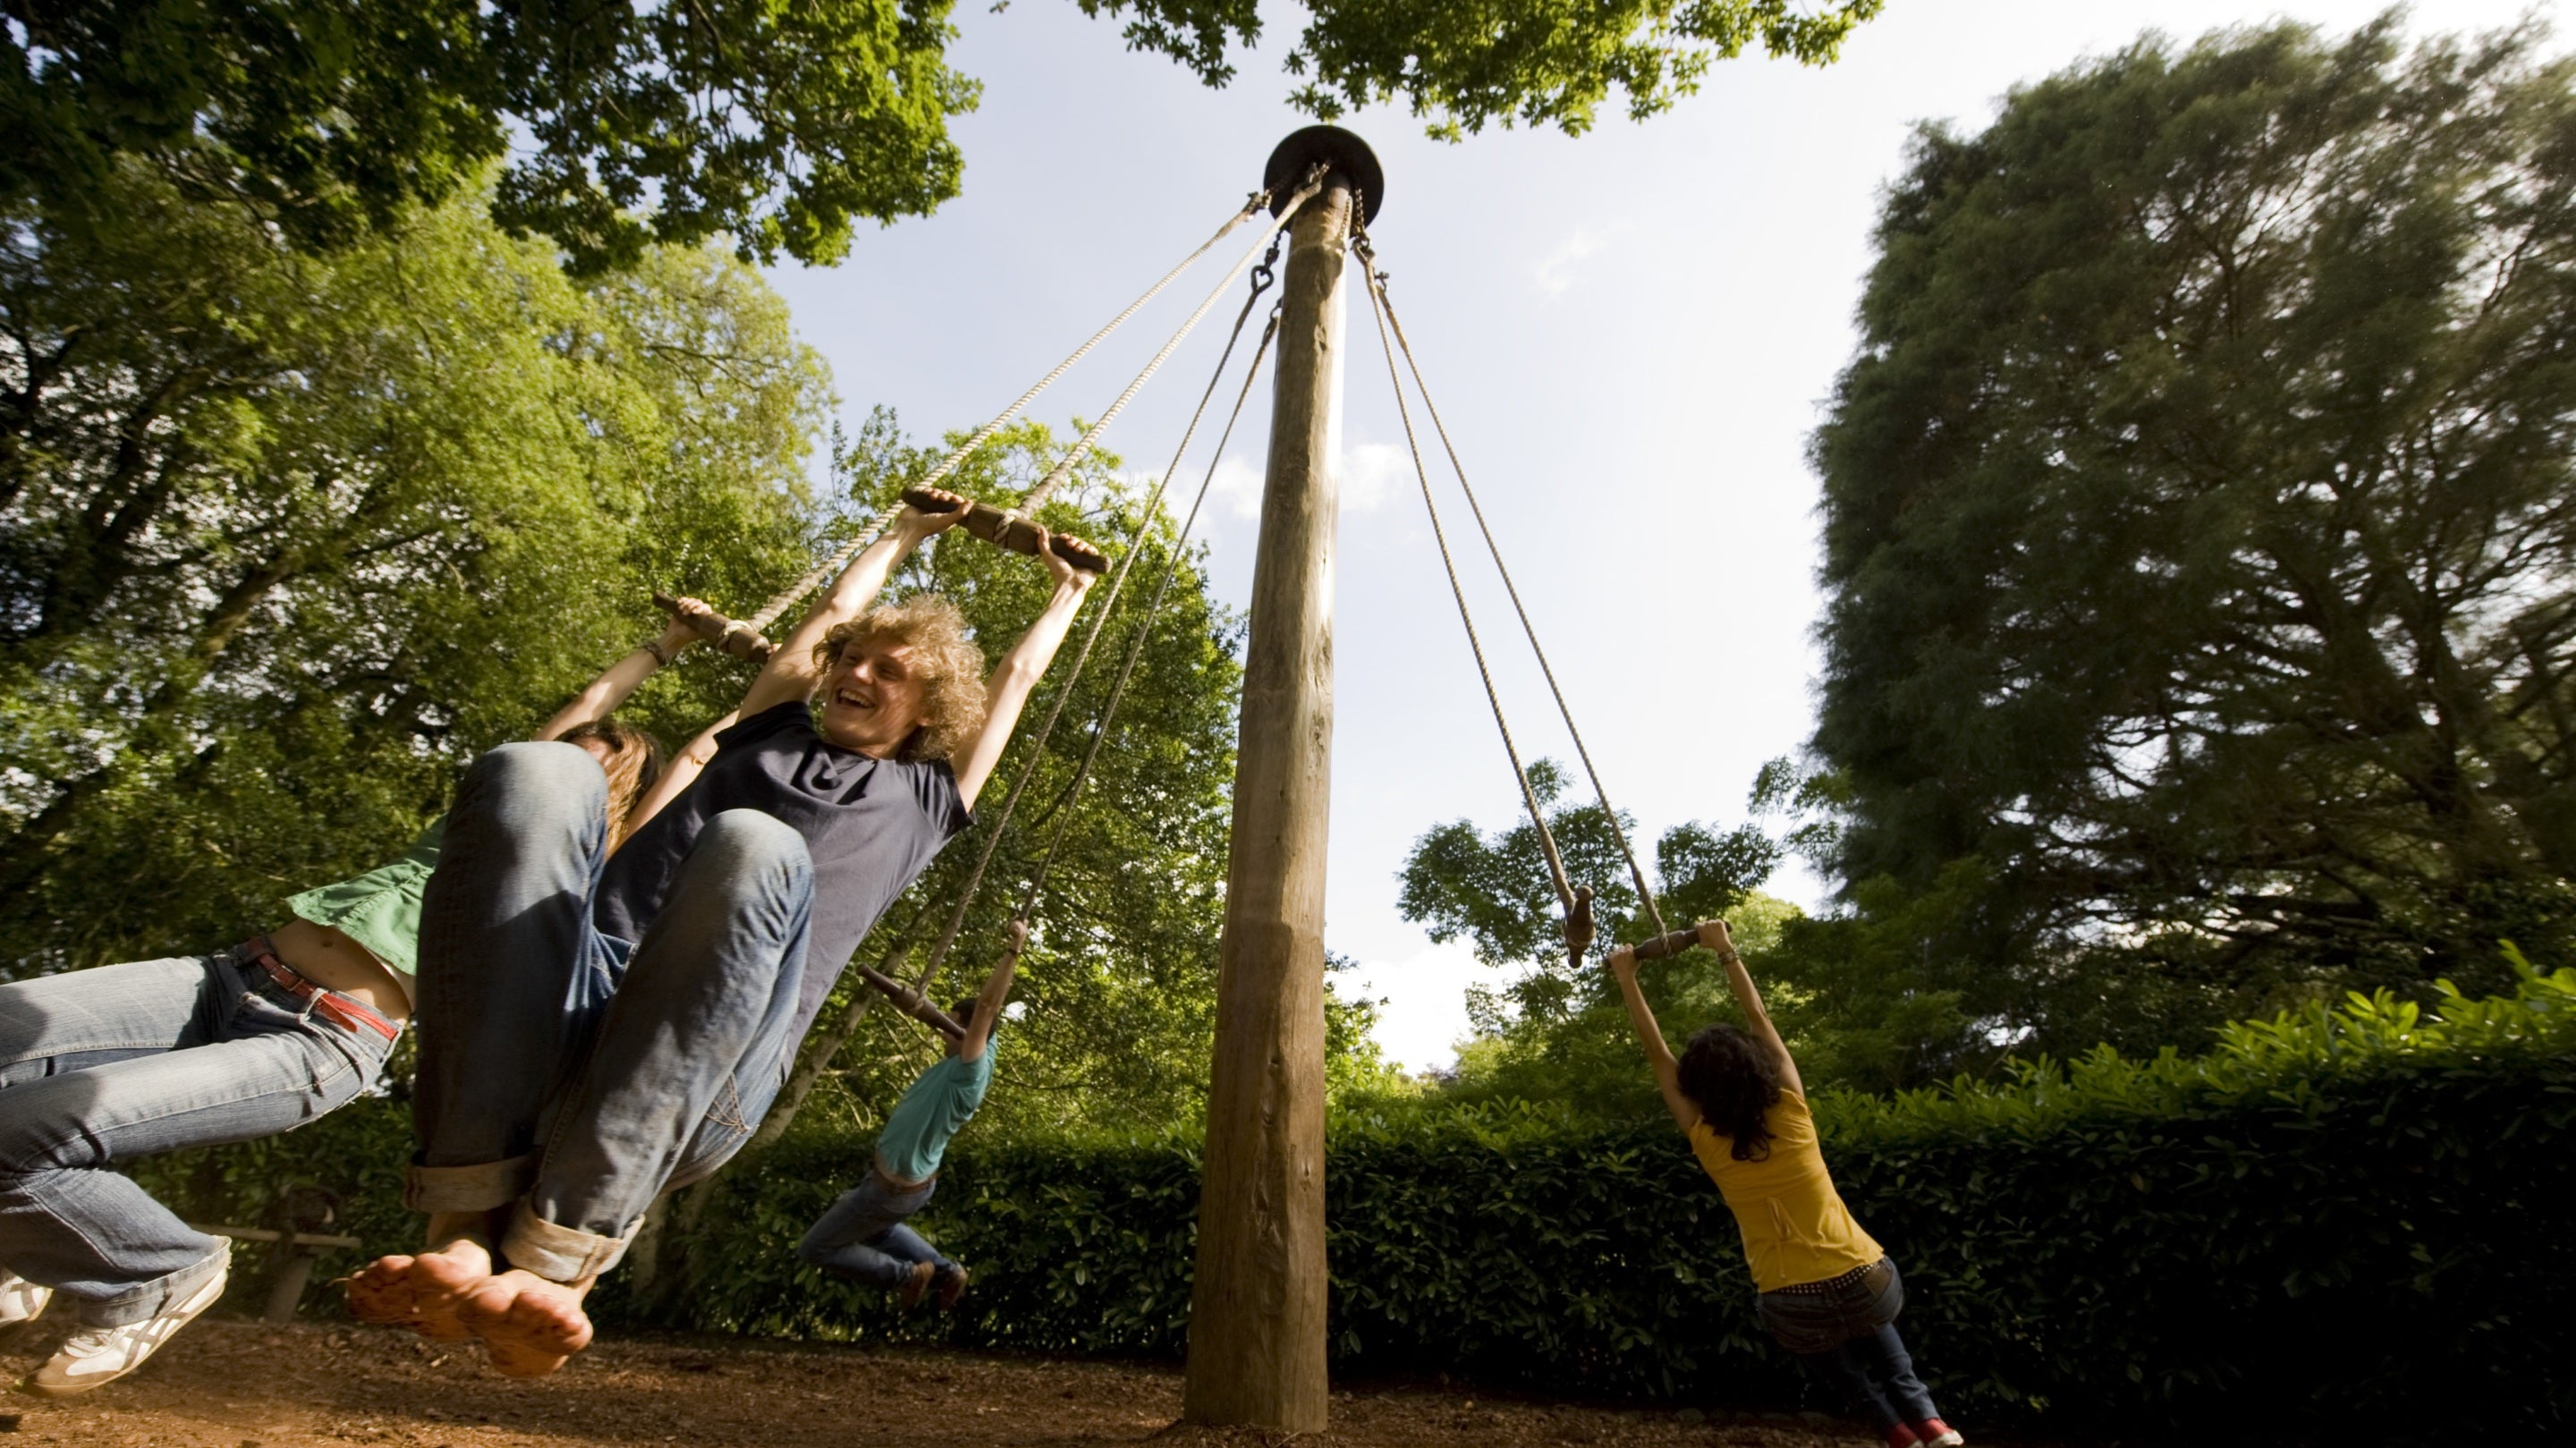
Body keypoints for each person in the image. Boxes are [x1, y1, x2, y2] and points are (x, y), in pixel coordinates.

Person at [347, 488, 1102, 1377]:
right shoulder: (766, 731)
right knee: (534, 774)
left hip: (717, 1057)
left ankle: (560, 1263)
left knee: (752, 845)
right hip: (574, 992)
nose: (856, 674)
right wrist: (904, 533)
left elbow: (1015, 679)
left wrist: (1068, 591)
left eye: (887, 671)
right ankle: (465, 1233)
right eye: (850, 661)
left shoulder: (932, 800)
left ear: (929, 709)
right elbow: (830, 613)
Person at [0, 604, 711, 1397]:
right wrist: (668, 645)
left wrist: (761, 698)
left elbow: (688, 769)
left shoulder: (590, 870)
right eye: (569, 754)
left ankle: (160, 1268)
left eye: (594, 767)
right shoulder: (478, 819)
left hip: (320, 1039)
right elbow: (586, 706)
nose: (572, 762)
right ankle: (29, 1248)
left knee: (14, 1137)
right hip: (227, 975)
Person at [1606, 921, 1965, 1448]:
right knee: (1871, 1308)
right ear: (1757, 1071)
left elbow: (1657, 1055)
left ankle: (1892, 1427)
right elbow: (1759, 1016)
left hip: (1789, 1300)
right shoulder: (1792, 1111)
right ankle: (1929, 1420)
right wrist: (1723, 948)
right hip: (1867, 1281)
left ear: (1696, 1087)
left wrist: (1627, 979)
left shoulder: (1705, 1138)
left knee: (1793, 1323)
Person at [797, 921, 1020, 1307]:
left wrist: (1014, 949)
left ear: (972, 1036)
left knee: (816, 1248)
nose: (941, 1033)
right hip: (905, 1187)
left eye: (950, 1028)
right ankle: (948, 1273)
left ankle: (907, 1275)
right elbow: (981, 1020)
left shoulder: (970, 1071)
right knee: (878, 1231)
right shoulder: (974, 1054)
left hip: (891, 1190)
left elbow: (987, 1008)